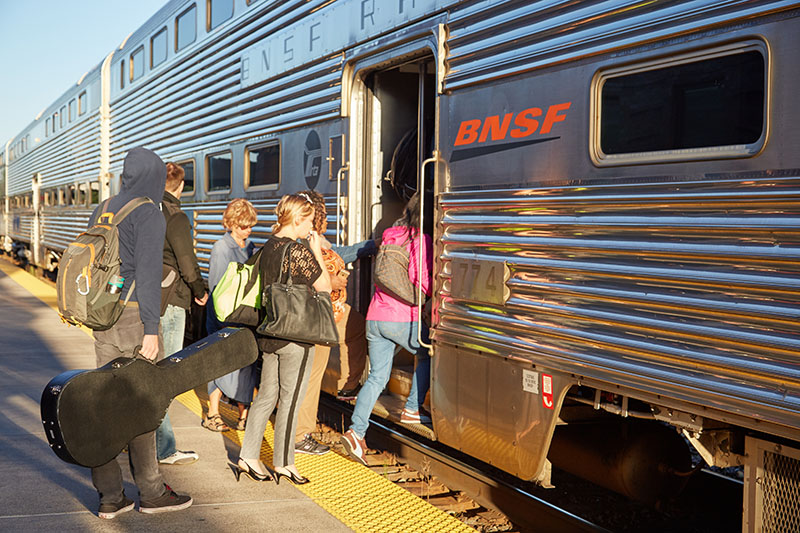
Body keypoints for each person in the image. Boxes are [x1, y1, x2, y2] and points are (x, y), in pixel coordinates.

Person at [89, 147, 192, 518]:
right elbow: (148, 276)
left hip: (104, 316)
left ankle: (110, 496)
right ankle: (151, 492)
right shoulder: (149, 211)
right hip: (133, 317)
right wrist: (152, 330)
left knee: (107, 405)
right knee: (142, 405)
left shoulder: (105, 207)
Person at [233, 192, 331, 485]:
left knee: (266, 398)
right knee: (291, 400)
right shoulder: (298, 251)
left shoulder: (269, 246)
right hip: (295, 336)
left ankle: (248, 457)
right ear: (298, 218)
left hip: (270, 332)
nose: (311, 227)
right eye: (309, 221)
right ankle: (285, 463)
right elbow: (324, 286)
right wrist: (315, 250)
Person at [340, 191, 433, 466]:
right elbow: (422, 280)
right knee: (426, 353)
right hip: (401, 317)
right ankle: (414, 409)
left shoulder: (391, 234)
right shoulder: (420, 239)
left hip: (375, 315)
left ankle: (356, 432)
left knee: (377, 378)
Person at [293, 190, 371, 456]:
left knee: (357, 326)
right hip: (318, 313)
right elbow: (309, 277)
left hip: (323, 312)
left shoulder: (307, 240)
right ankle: (300, 435)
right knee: (310, 376)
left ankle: (346, 386)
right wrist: (333, 282)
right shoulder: (308, 242)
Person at [155, 162, 208, 465]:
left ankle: (139, 440)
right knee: (166, 375)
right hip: (172, 301)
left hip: (148, 299)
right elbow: (187, 262)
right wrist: (199, 291)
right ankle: (164, 448)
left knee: (149, 372)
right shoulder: (175, 216)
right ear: (181, 185)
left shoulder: (146, 211)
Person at [204, 198, 259, 432]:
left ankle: (243, 416)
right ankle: (212, 413)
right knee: (218, 363)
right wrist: (219, 320)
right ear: (231, 223)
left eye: (250, 225)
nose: (247, 230)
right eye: (242, 226)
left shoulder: (250, 246)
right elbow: (216, 286)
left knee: (246, 364)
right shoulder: (221, 248)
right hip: (223, 314)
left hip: (245, 315)